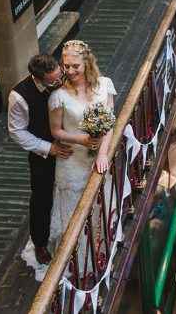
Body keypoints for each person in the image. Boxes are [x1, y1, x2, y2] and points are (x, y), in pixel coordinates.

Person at [45, 40, 117, 256]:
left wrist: (103, 152)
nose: (70, 71)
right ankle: (76, 258)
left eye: (75, 66)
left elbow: (110, 122)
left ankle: (102, 251)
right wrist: (81, 140)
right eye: (66, 66)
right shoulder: (58, 96)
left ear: (86, 63)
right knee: (73, 214)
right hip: (72, 161)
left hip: (97, 159)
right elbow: (56, 131)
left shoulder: (104, 85)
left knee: (100, 204)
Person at [7, 54, 72, 265]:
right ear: (38, 79)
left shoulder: (63, 78)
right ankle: (40, 243)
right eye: (53, 81)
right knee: (41, 196)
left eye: (59, 75)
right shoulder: (19, 97)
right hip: (42, 151)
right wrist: (48, 148)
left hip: (72, 146)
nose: (60, 82)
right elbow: (17, 132)